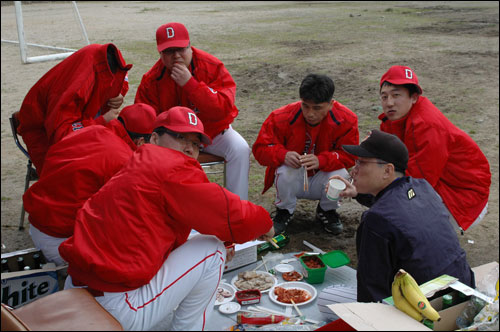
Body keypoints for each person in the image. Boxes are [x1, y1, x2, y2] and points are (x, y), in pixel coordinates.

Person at [59, 106, 274, 331]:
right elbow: (233, 215)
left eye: (195, 144)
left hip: (80, 287)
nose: (189, 149)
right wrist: (265, 224)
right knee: (212, 250)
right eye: (181, 137)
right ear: (154, 138)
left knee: (196, 238)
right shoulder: (171, 168)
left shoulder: (139, 160)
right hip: (113, 307)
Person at [330, 129, 475, 303]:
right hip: (463, 288)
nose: (354, 170)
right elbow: (395, 206)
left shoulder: (376, 220)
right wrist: (357, 193)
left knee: (327, 298)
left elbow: (371, 289)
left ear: (387, 170)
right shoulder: (422, 186)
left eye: (361, 162)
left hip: (426, 308)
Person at [23, 103, 156, 266]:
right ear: (141, 141)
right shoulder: (124, 159)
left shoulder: (94, 129)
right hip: (61, 240)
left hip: (38, 222)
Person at [135, 22, 250, 200]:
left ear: (189, 45)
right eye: (169, 51)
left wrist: (191, 85)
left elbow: (224, 109)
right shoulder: (152, 79)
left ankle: (238, 209)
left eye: (181, 49)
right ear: (160, 53)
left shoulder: (211, 66)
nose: (176, 56)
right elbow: (144, 119)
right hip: (175, 139)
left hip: (212, 132)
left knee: (240, 149)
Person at [377, 65, 491, 232]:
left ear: (414, 97)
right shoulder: (399, 118)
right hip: (445, 183)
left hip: (463, 198)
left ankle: (435, 237)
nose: (389, 103)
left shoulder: (426, 125)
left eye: (396, 95)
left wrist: (381, 193)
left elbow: (420, 182)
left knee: (401, 208)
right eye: (384, 96)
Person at [252, 73, 359, 235]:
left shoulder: (346, 119)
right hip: (293, 179)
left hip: (322, 177)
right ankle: (284, 210)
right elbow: (260, 149)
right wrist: (283, 154)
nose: (310, 113)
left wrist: (322, 160)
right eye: (305, 106)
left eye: (317, 108)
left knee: (340, 174)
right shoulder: (281, 116)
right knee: (285, 169)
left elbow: (350, 156)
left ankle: (327, 210)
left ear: (331, 104)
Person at [17, 43, 132, 176]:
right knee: (63, 179)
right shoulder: (75, 89)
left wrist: (119, 93)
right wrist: (103, 120)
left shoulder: (110, 58)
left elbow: (122, 77)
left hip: (73, 117)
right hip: (42, 131)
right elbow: (63, 136)